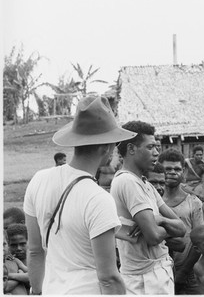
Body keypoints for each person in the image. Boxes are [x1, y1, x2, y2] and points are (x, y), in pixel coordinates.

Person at [23, 96, 134, 294]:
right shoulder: (98, 198)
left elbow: (34, 250)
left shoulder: (38, 180)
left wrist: (37, 291)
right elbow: (108, 277)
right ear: (105, 147)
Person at [111, 120, 186, 295]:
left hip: (156, 275)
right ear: (131, 149)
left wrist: (159, 220)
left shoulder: (147, 185)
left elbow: (182, 228)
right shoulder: (127, 182)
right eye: (150, 147)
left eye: (157, 147)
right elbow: (153, 236)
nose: (156, 153)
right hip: (144, 280)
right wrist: (162, 226)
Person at [158, 148, 204, 295]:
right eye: (167, 169)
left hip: (188, 272)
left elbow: (199, 241)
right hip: (158, 270)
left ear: (184, 171)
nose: (172, 172)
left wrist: (183, 273)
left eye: (177, 169)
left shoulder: (194, 202)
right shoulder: (151, 201)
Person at [3, 230, 29, 295]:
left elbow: (31, 276)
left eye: (4, 244)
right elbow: (5, 288)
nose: (18, 248)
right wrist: (20, 276)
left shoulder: (14, 260)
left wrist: (8, 275)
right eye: (14, 245)